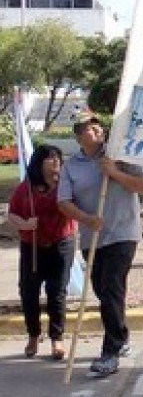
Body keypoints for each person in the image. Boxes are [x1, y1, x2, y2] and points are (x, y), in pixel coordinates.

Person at [57, 112, 143, 378]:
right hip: (92, 236)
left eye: (98, 125)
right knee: (102, 288)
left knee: (110, 286)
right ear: (78, 135)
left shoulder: (120, 154)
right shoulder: (71, 166)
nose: (96, 129)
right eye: (89, 127)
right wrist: (86, 218)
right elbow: (63, 201)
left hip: (122, 232)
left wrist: (114, 172)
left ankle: (110, 352)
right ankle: (120, 335)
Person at [6, 144, 76, 360]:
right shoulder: (25, 188)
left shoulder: (66, 185)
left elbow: (78, 206)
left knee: (57, 292)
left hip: (61, 243)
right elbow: (12, 215)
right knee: (29, 292)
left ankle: (57, 338)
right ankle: (33, 335)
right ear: (39, 162)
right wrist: (26, 224)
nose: (55, 161)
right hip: (32, 246)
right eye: (49, 158)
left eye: (58, 157)